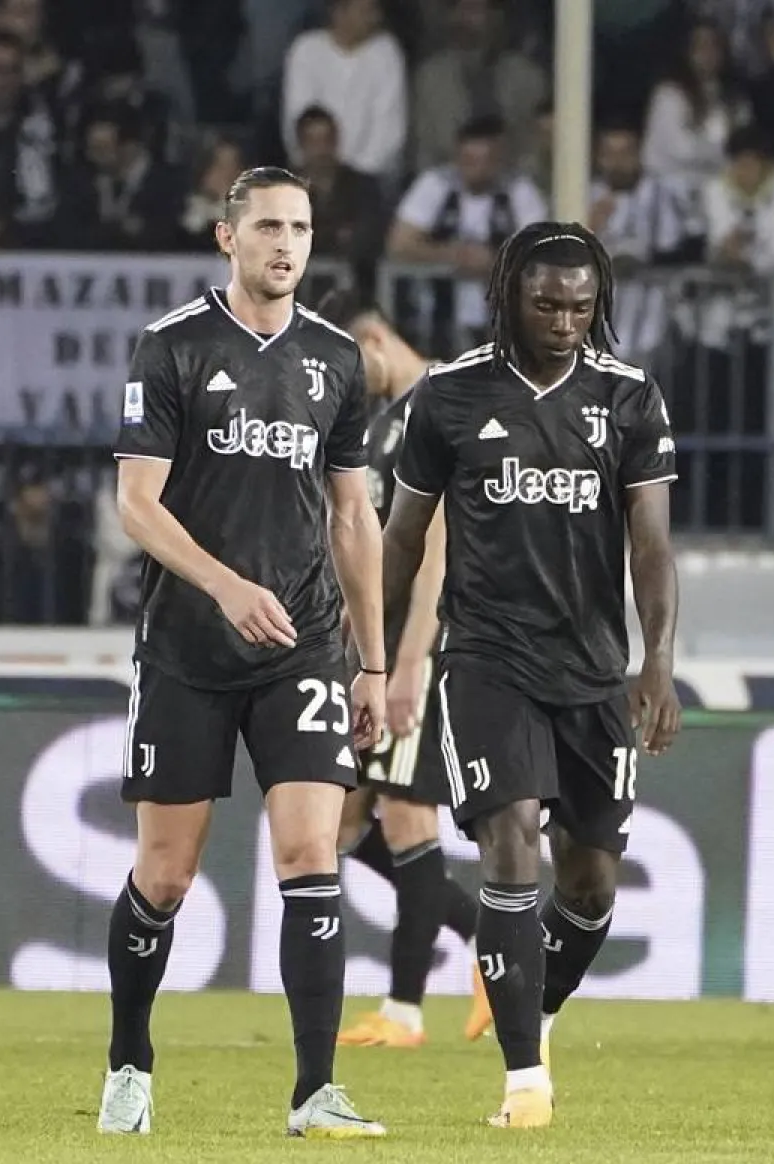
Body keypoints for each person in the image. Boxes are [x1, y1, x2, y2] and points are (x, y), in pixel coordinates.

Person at [100, 166, 388, 1138]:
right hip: (187, 645)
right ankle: (130, 1061)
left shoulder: (338, 360)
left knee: (311, 854)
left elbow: (354, 515)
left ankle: (315, 1090)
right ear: (228, 238)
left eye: (300, 227)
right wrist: (224, 584)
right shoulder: (171, 347)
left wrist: (375, 662)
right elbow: (137, 503)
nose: (286, 244)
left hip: (303, 644)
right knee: (166, 877)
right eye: (267, 225)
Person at [381, 221, 682, 1128]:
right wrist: (365, 651)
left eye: (582, 307)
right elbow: (400, 538)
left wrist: (656, 661)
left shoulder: (629, 397)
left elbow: (653, 543)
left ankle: (534, 1013)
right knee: (509, 845)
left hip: (592, 673)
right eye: (546, 302)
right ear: (509, 292)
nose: (563, 321)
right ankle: (524, 1083)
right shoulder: (449, 395)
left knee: (589, 886)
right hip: (485, 660)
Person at [312, 289, 492, 1048]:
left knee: (407, 818)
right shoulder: (385, 419)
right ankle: (497, 937)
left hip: (426, 648)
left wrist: (413, 658)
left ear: (376, 340)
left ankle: (406, 1012)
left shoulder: (439, 404)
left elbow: (437, 550)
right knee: (344, 824)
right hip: (375, 651)